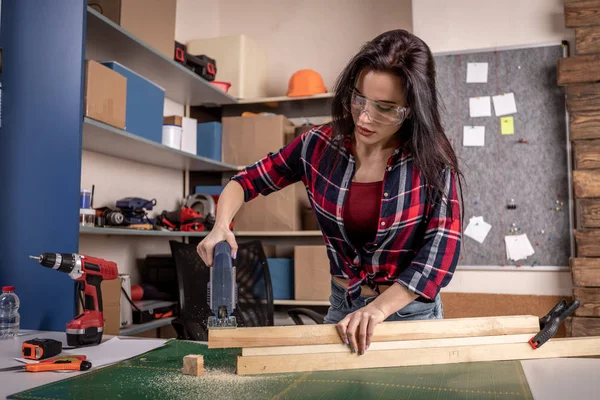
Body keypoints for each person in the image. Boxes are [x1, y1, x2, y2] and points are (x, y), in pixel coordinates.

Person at [197, 29, 463, 356]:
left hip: (409, 315)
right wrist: (221, 225)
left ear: (412, 110)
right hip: (342, 309)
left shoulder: (433, 159)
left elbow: (440, 254)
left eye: (384, 108)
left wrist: (379, 309)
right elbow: (246, 181)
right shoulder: (318, 145)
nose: (364, 117)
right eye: (359, 99)